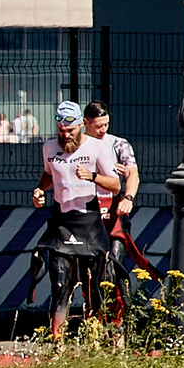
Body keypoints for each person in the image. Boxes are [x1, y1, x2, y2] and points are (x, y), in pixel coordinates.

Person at [33, 101, 120, 342]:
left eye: (70, 130)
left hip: (88, 221)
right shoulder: (50, 147)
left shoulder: (96, 147)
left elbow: (115, 185)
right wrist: (40, 190)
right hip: (62, 220)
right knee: (60, 285)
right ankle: (57, 343)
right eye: (61, 130)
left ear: (81, 125)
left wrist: (93, 177)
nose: (65, 135)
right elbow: (49, 174)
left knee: (94, 288)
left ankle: (98, 338)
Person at [82, 100, 146, 324]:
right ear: (85, 123)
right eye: (98, 126)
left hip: (114, 208)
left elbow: (133, 174)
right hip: (86, 210)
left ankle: (118, 324)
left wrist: (128, 197)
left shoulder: (119, 144)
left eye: (106, 125)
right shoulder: (77, 146)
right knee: (90, 272)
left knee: (113, 268)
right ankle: (95, 322)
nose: (103, 130)